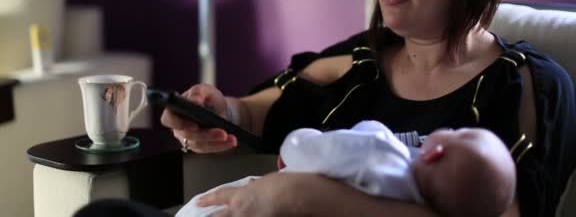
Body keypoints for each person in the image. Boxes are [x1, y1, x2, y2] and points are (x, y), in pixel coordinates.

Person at [164, 0, 576, 216]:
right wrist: (214, 113)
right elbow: (251, 111)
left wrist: (307, 201)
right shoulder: (359, 63)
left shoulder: (526, 86)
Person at [177, 121, 516, 217]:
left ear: (433, 154)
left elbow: (304, 151)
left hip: (250, 200)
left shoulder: (382, 155)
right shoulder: (421, 198)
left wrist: (302, 141)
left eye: (460, 132)